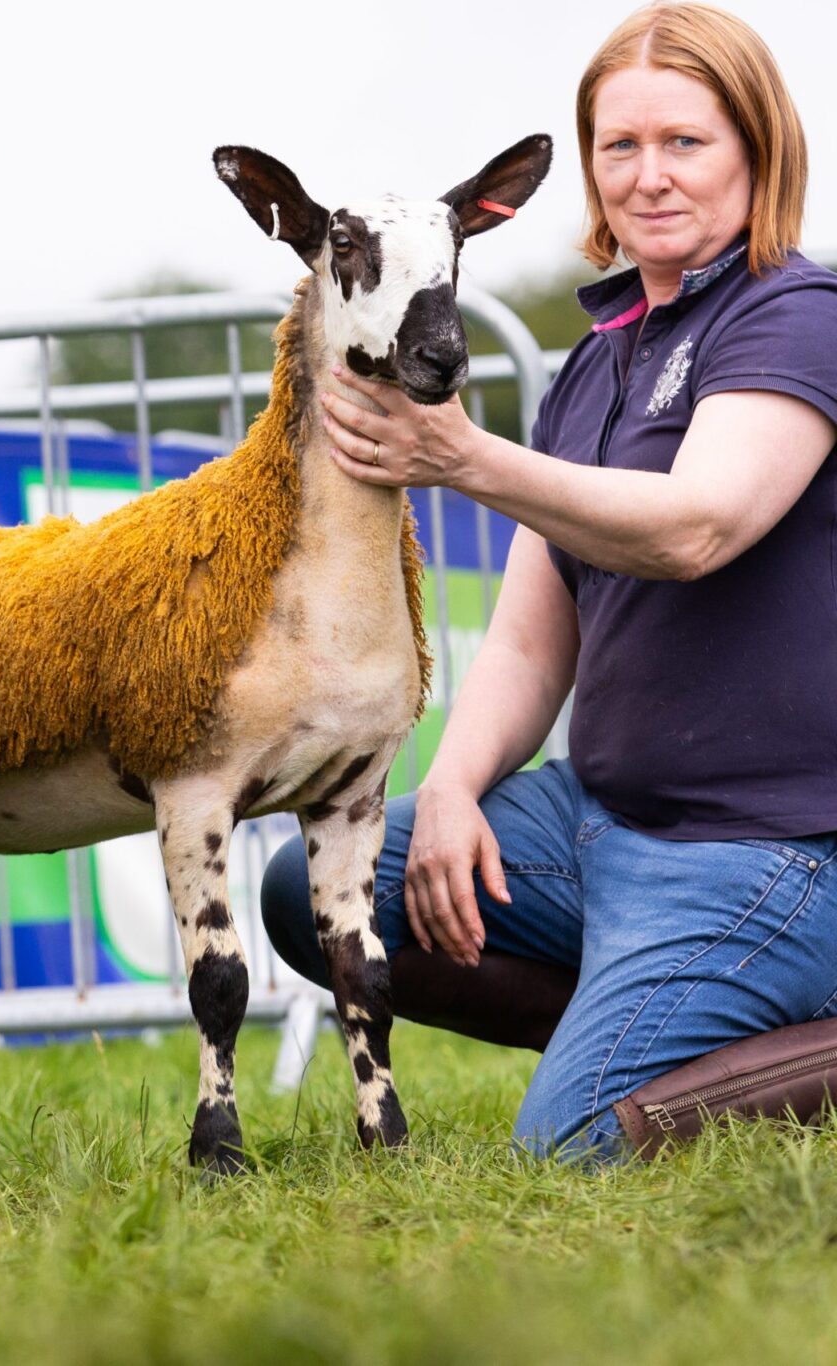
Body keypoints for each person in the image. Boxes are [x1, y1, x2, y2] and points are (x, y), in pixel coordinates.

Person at [260, 2, 837, 1160]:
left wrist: (464, 456)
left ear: (757, 150)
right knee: (311, 887)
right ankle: (655, 1028)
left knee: (573, 1142)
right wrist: (460, 789)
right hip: (596, 821)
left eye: (685, 141)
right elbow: (530, 642)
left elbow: (699, 526)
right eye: (617, 147)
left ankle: (702, 1047)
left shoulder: (796, 315)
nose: (647, 175)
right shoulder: (592, 364)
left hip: (767, 848)